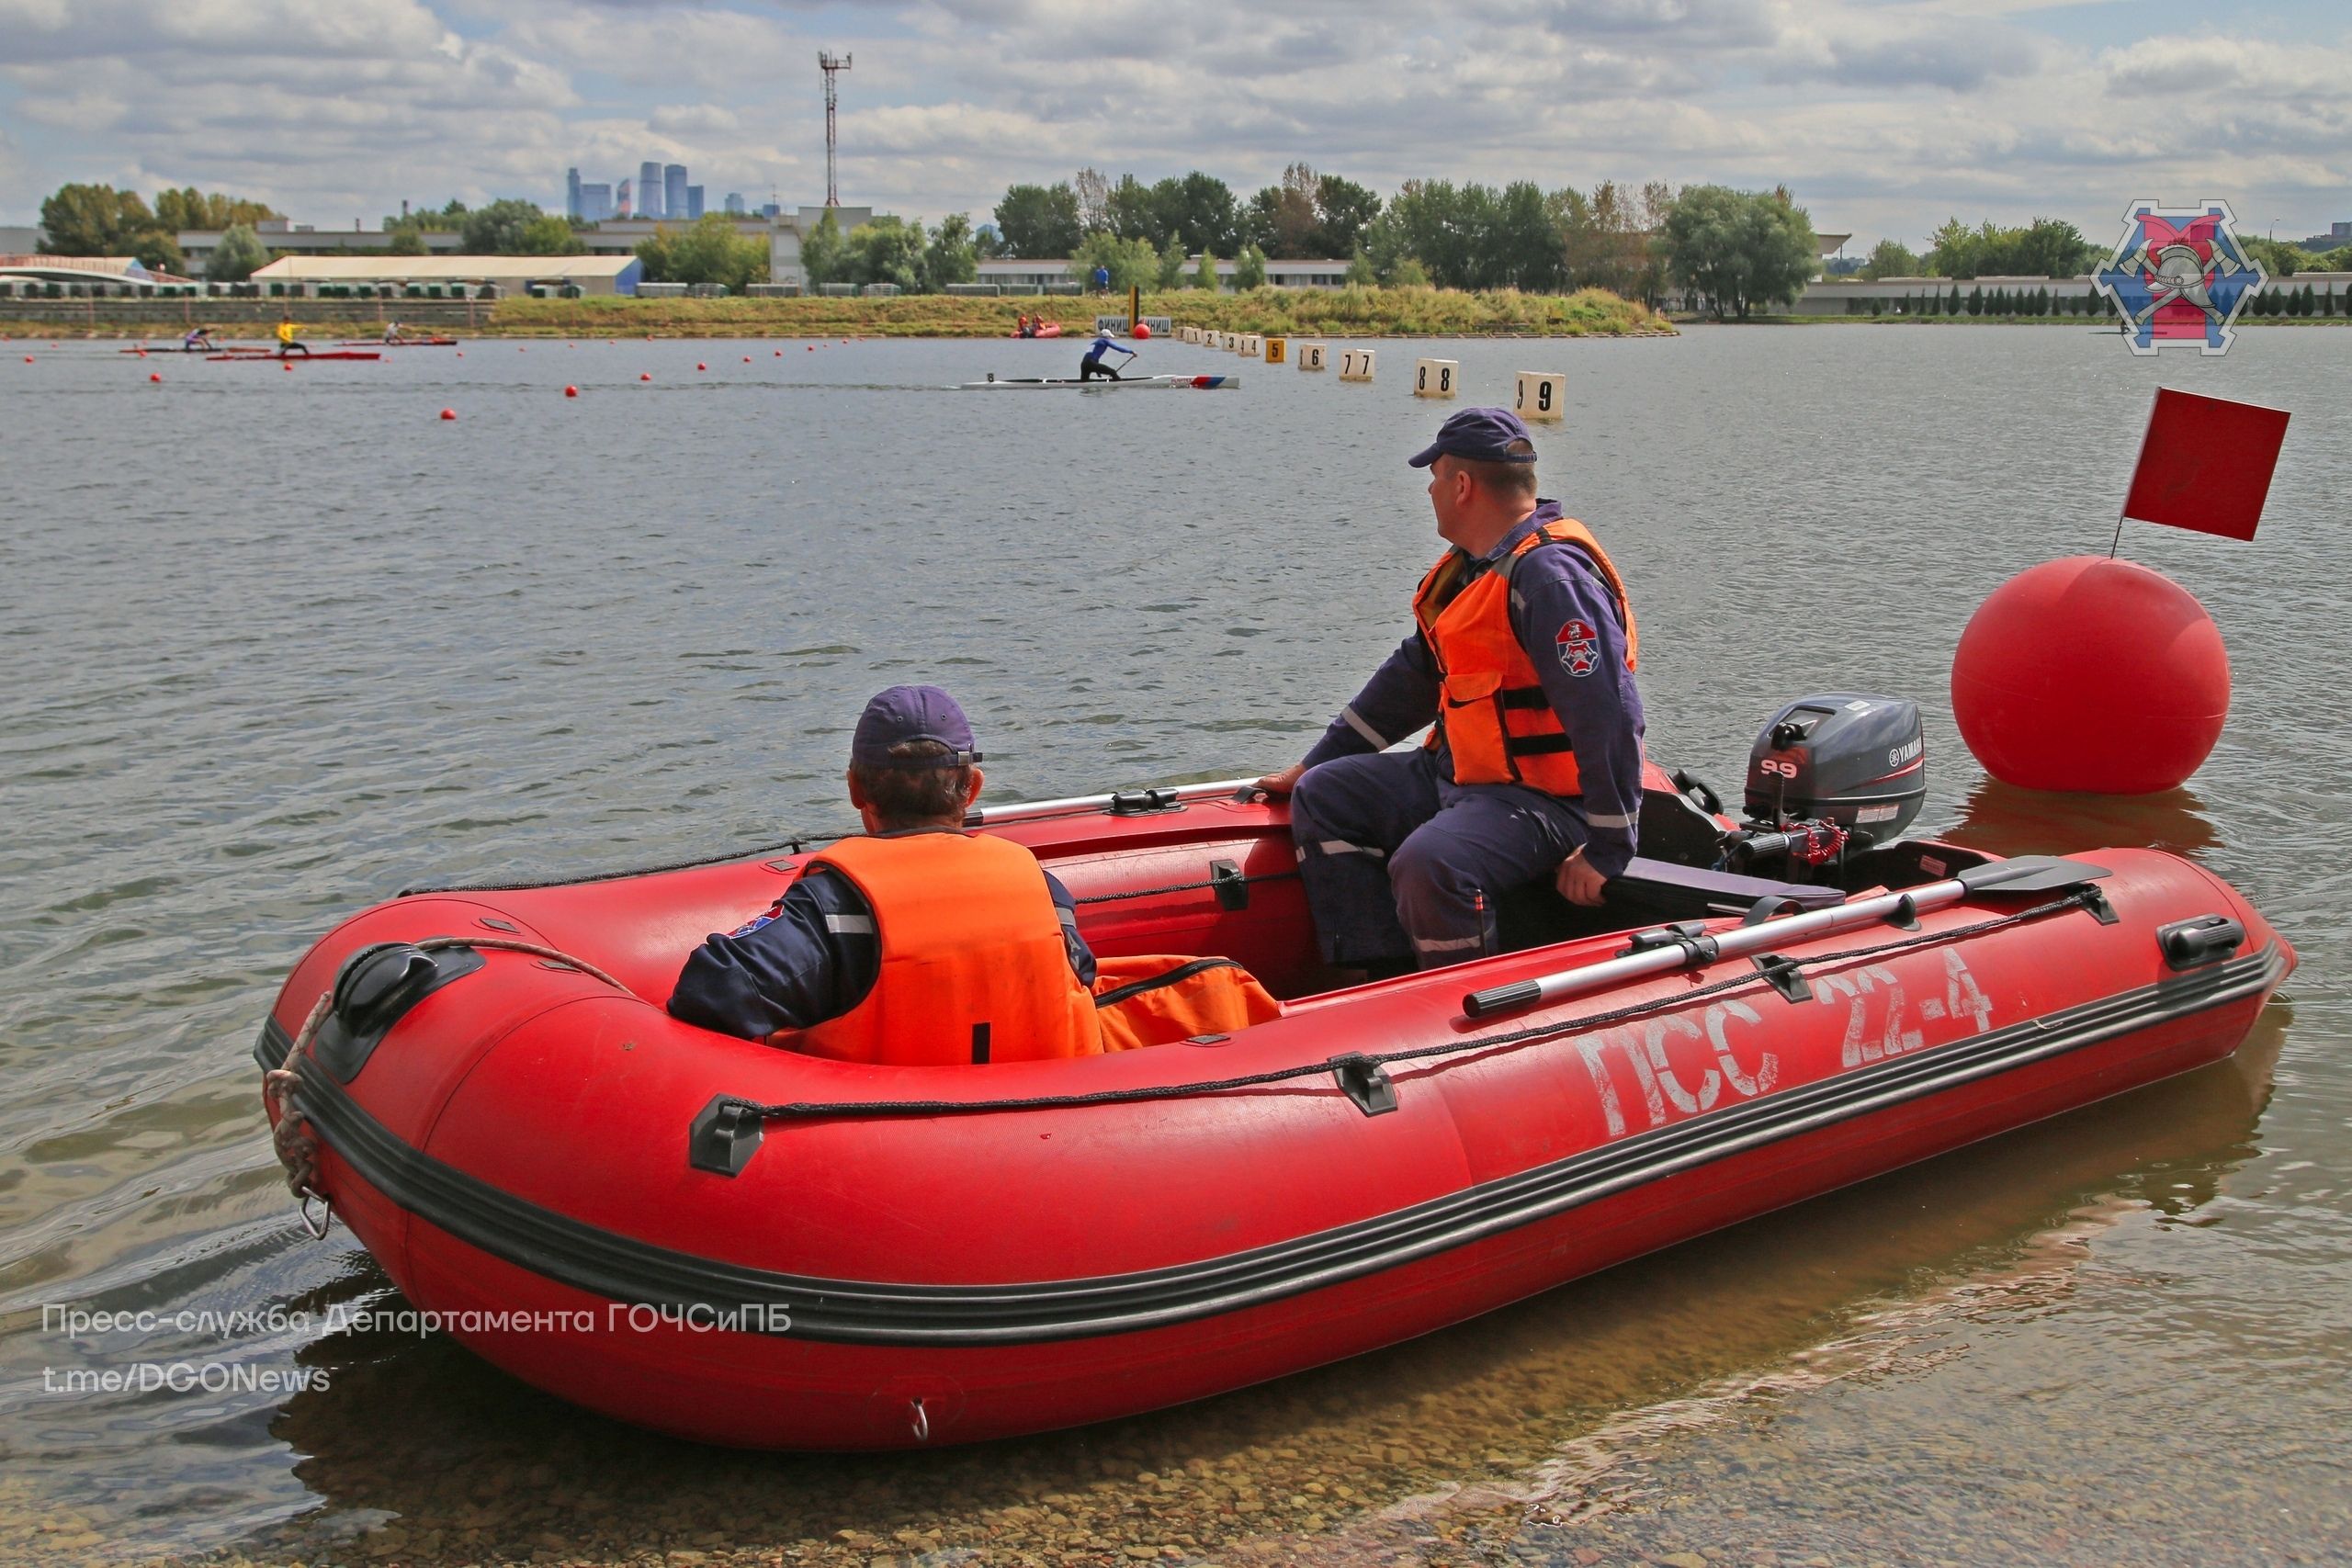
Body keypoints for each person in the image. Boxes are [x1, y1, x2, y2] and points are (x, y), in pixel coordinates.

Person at [1254, 407, 1645, 975]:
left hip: (1549, 801)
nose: (1431, 491)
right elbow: (1412, 677)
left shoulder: (1551, 579)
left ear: (1462, 485)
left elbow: (1608, 713)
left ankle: (1463, 1011)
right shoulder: (1473, 569)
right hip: (1462, 776)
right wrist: (1311, 765)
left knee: (1432, 862)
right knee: (1325, 794)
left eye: (1434, 477)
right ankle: (1372, 975)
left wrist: (1610, 846)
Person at [670, 685, 1103, 1063]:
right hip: (1042, 1131)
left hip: (885, 1138)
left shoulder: (830, 908)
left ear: (856, 790)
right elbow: (1080, 974)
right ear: (972, 789)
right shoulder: (1044, 891)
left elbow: (712, 990)